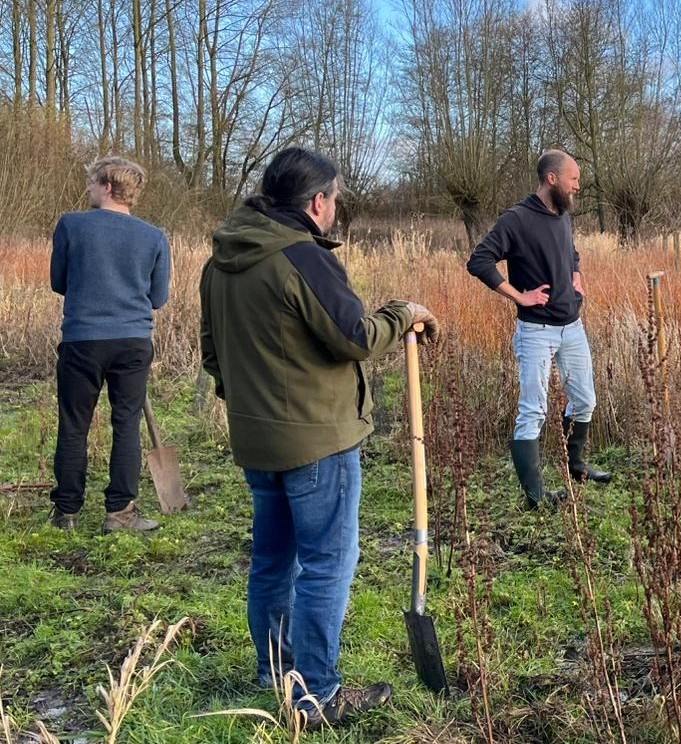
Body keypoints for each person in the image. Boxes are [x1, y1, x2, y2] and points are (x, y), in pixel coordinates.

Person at [201, 147, 437, 727]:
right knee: (327, 563)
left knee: (272, 562)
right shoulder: (302, 257)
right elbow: (354, 335)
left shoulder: (221, 262)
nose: (336, 209)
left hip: (258, 443)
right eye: (335, 199)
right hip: (317, 444)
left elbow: (213, 353)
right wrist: (403, 313)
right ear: (316, 202)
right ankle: (316, 696)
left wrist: (252, 407)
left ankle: (275, 674)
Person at [467, 150, 611, 510]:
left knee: (585, 401)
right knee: (533, 410)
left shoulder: (563, 214)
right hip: (536, 331)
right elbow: (479, 261)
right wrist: (518, 295)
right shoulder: (516, 219)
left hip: (572, 326)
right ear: (552, 179)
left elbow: (571, 252)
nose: (577, 186)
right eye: (573, 179)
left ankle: (575, 467)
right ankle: (535, 497)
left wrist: (576, 274)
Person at [47, 156, 171, 533]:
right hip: (132, 342)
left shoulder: (72, 225)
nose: (88, 189)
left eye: (91, 182)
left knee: (73, 425)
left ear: (106, 185)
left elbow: (58, 282)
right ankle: (120, 513)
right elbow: (158, 297)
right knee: (126, 424)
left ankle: (66, 513)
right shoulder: (154, 236)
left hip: (82, 339)